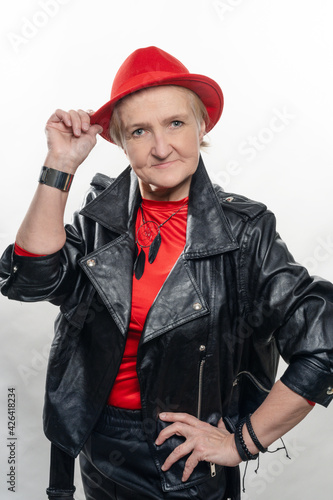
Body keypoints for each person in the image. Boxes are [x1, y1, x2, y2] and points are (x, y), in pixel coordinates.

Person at [0, 46, 333, 500]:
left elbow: (323, 341)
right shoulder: (100, 221)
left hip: (183, 460)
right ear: (119, 141)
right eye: (139, 131)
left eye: (175, 123)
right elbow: (33, 278)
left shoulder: (244, 231)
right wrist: (60, 164)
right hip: (96, 446)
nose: (161, 147)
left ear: (201, 126)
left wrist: (243, 441)